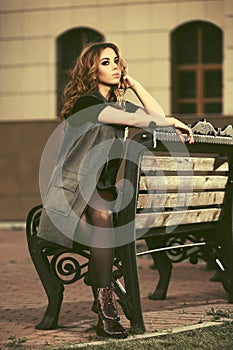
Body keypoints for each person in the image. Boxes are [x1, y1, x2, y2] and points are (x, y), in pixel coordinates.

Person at [38, 42, 194, 339]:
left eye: (117, 61)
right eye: (106, 62)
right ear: (91, 70)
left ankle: (103, 297)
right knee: (102, 214)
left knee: (103, 212)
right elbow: (143, 120)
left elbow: (154, 113)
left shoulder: (119, 106)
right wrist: (171, 122)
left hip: (103, 194)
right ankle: (107, 304)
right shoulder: (87, 103)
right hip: (71, 194)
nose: (115, 66)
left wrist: (133, 84)